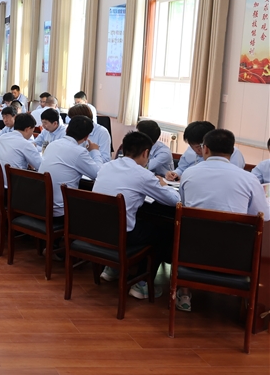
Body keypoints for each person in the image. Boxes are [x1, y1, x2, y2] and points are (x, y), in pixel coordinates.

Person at [177, 129, 269, 312]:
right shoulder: (249, 179)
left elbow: (184, 205)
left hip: (192, 253)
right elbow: (264, 216)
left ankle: (184, 292)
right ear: (232, 151)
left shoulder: (189, 174)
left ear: (205, 149)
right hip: (235, 258)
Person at [93, 131, 181, 300]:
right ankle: (141, 285)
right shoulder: (142, 175)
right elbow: (174, 200)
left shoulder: (107, 166)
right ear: (146, 153)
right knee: (164, 231)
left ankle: (112, 269)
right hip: (122, 235)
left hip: (97, 230)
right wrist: (164, 185)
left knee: (140, 219)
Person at [39, 116, 104, 218]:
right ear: (86, 137)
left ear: (67, 129)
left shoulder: (52, 145)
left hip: (40, 206)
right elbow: (98, 174)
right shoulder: (79, 152)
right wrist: (95, 151)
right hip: (61, 212)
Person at [166, 121, 245, 180]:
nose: (198, 150)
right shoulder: (190, 150)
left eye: (200, 147)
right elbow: (181, 168)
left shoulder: (231, 152)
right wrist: (174, 174)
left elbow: (233, 177)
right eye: (194, 147)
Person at [0, 113, 42, 188]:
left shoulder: (2, 138)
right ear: (27, 129)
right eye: (32, 131)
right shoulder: (26, 144)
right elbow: (41, 166)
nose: (31, 134)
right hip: (15, 187)